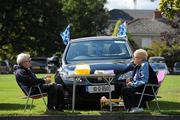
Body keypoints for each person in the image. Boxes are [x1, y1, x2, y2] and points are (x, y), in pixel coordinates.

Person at [121, 49, 158, 113]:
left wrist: (132, 84)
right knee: (123, 87)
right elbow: (138, 78)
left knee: (126, 89)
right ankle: (130, 108)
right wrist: (131, 80)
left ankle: (137, 107)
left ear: (140, 58)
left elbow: (144, 80)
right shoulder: (140, 65)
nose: (133, 59)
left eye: (134, 57)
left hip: (148, 90)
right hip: (144, 88)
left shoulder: (144, 65)